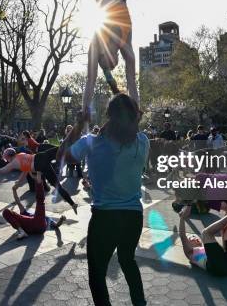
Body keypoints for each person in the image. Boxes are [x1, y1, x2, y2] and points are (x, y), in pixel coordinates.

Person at [0, 0, 218, 114]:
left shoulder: (95, 46)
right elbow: (132, 83)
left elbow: (90, 82)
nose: (114, 57)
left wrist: (84, 111)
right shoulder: (127, 49)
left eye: (110, 59)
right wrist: (136, 108)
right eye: (115, 60)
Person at [57, 94, 148, 306]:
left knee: (97, 274)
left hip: (105, 218)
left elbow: (61, 155)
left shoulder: (90, 143)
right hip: (133, 216)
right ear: (135, 117)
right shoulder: (142, 142)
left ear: (109, 117)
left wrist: (79, 123)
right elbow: (131, 129)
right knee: (128, 261)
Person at [0, 146, 78, 213]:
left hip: (40, 165)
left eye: (6, 159)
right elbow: (25, 171)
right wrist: (19, 182)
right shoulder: (20, 154)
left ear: (8, 157)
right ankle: (76, 147)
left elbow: (2, 170)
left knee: (58, 187)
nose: (7, 161)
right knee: (60, 149)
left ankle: (72, 204)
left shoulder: (13, 163)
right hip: (41, 156)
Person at [179, 201, 227, 276]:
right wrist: (182, 218)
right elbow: (183, 236)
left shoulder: (208, 249)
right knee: (205, 233)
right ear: (188, 243)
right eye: (191, 238)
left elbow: (224, 249)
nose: (195, 238)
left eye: (195, 236)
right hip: (219, 269)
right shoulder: (190, 253)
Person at [3, 170, 66, 239]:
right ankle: (21, 231)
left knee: (40, 201)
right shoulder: (24, 214)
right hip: (29, 227)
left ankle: (38, 178)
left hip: (39, 225)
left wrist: (61, 220)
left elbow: (56, 225)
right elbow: (18, 202)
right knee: (5, 212)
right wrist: (14, 190)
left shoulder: (45, 218)